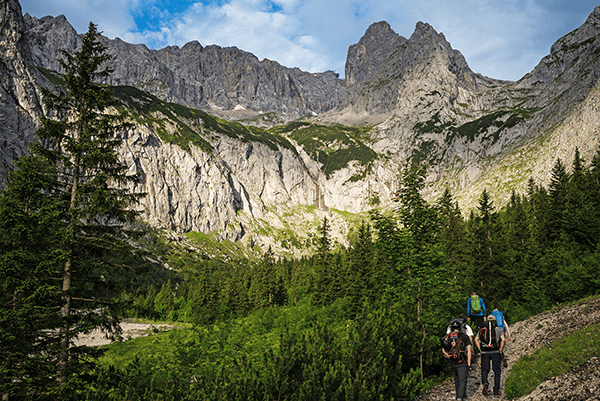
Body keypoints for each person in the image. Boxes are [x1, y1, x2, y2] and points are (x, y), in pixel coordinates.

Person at [442, 319, 472, 401]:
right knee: (462, 380)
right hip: (462, 361)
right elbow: (469, 349)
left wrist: (447, 355)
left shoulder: (447, 337)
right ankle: (459, 398)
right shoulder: (464, 337)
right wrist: (469, 363)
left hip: (452, 361)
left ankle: (459, 395)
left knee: (457, 379)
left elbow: (443, 350)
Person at [475, 315, 505, 396]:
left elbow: (476, 339)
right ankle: (496, 390)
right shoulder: (499, 329)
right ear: (495, 321)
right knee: (497, 371)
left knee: (485, 370)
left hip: (484, 352)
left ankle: (485, 383)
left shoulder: (482, 329)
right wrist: (500, 350)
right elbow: (503, 340)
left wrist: (480, 349)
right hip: (495, 352)